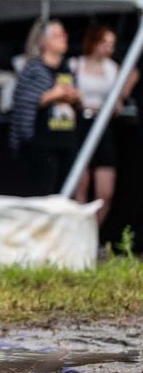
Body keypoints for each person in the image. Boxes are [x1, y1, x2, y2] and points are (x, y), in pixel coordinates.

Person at [73, 24, 137, 225]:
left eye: (112, 44)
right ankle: (79, 234)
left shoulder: (112, 68)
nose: (109, 47)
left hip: (103, 126)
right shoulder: (76, 64)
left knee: (105, 190)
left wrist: (121, 96)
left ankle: (93, 234)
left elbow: (119, 101)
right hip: (81, 123)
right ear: (94, 42)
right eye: (105, 42)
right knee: (80, 184)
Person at [11, 19, 84, 195]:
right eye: (58, 35)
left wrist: (76, 98)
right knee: (42, 196)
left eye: (65, 34)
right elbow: (24, 103)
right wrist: (54, 94)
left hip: (66, 141)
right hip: (41, 144)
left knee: (65, 195)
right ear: (44, 41)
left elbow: (75, 107)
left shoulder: (67, 68)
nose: (64, 38)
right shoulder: (33, 69)